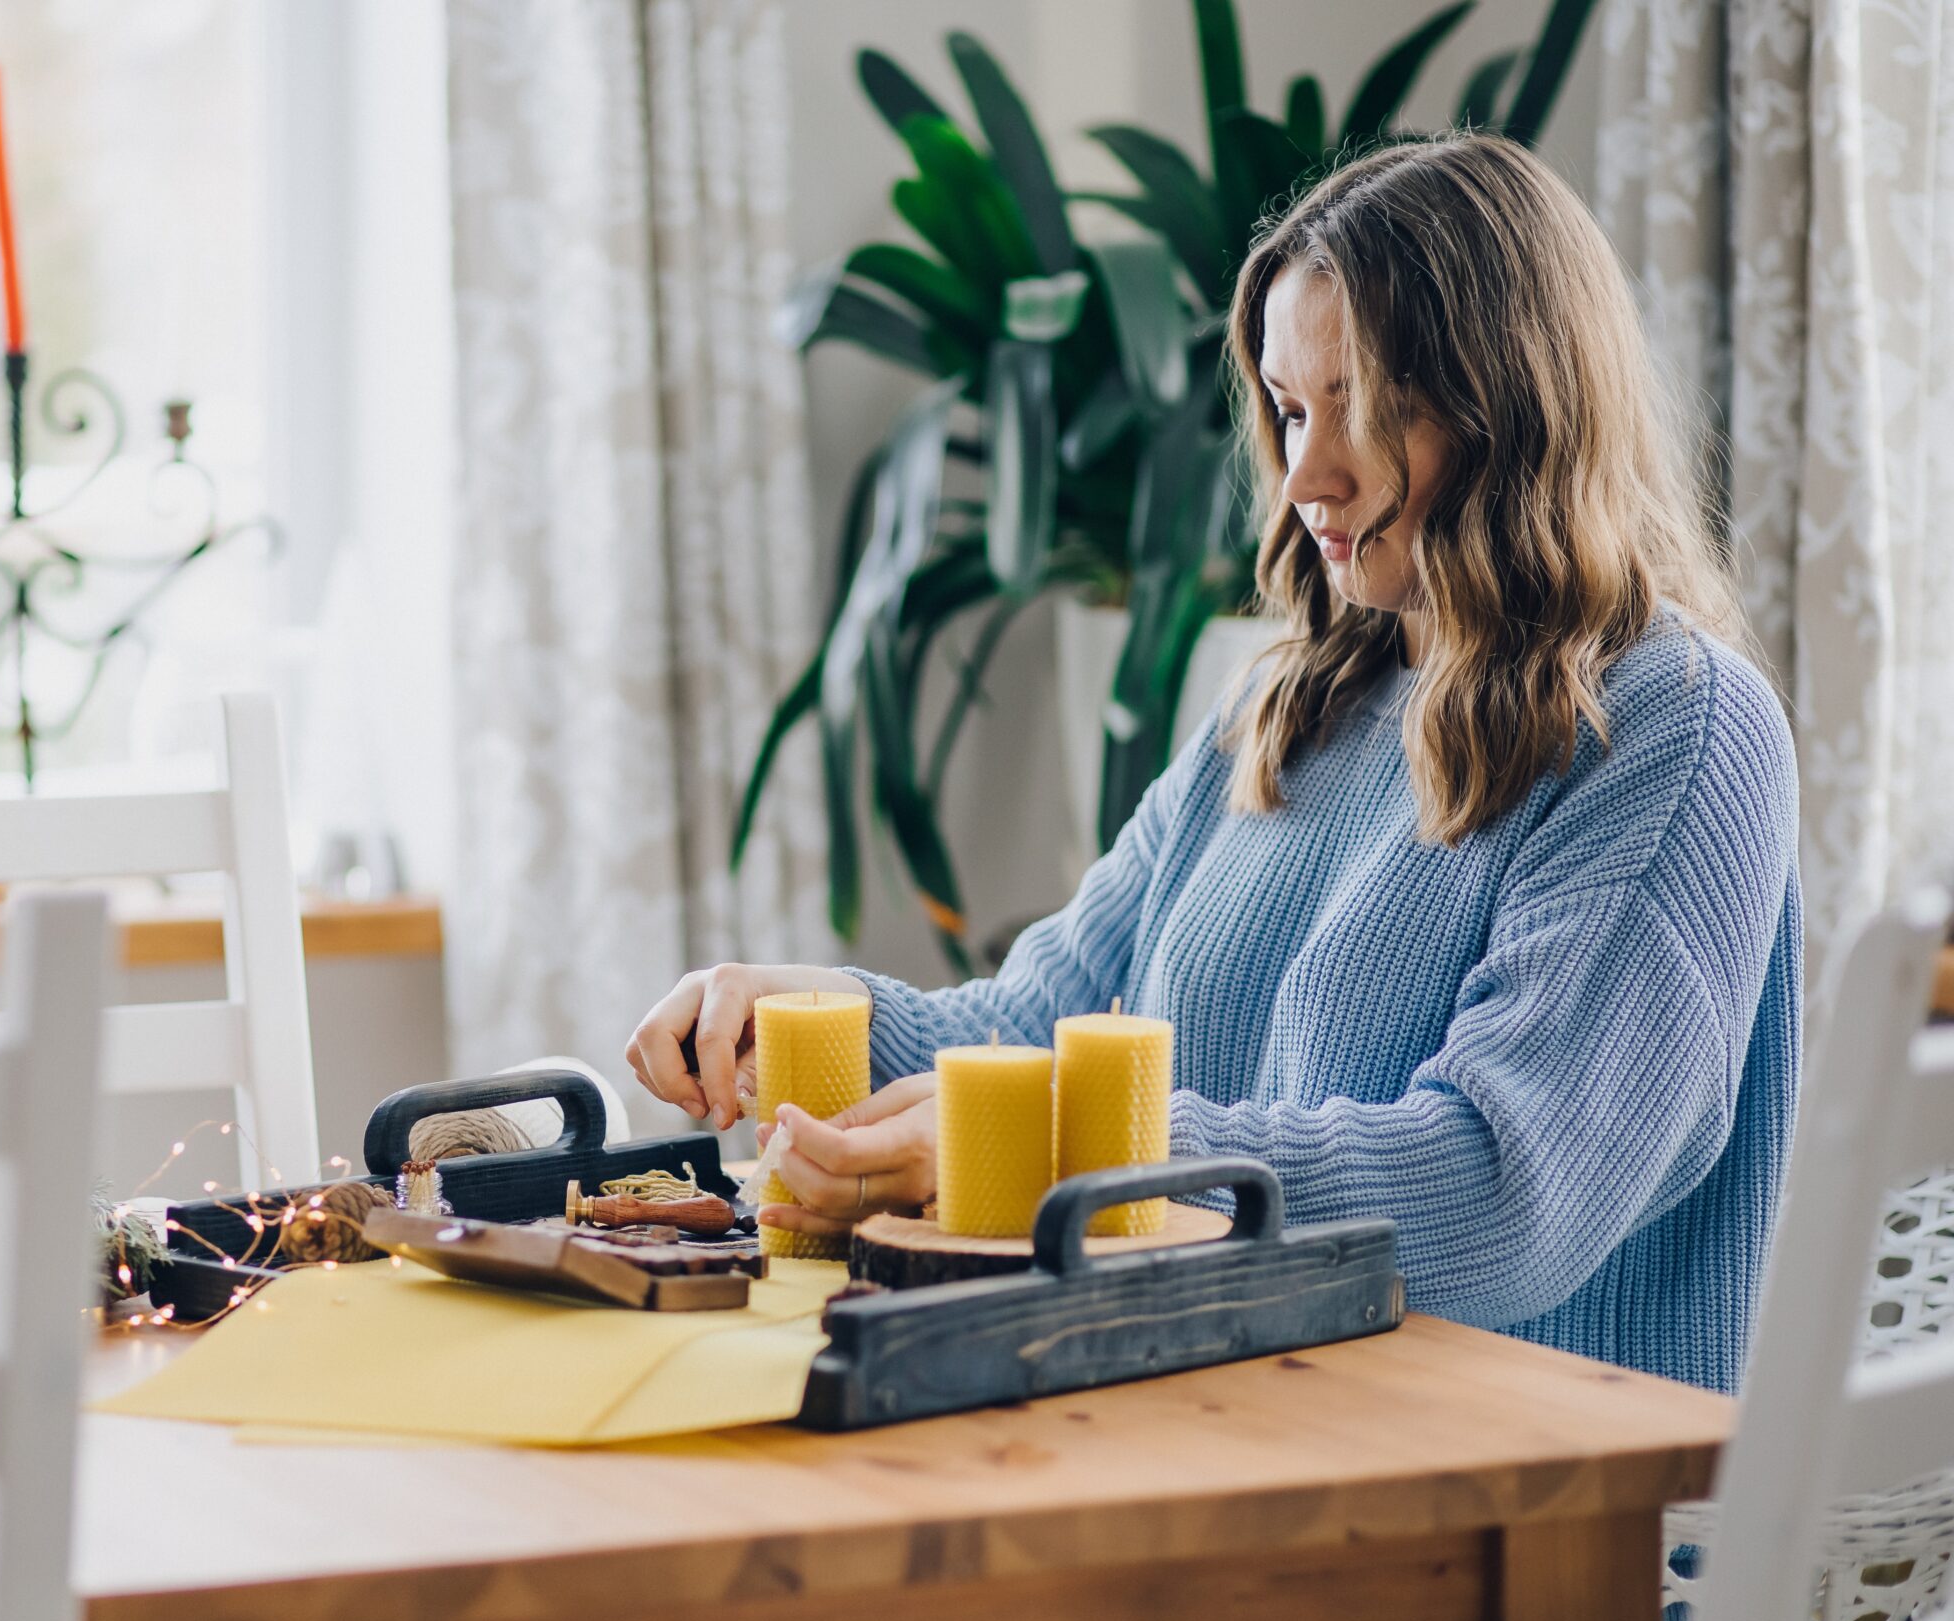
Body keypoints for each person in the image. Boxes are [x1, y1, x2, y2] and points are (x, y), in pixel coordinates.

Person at [626, 133, 1799, 1395]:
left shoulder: (1677, 728)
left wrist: (1083, 1152)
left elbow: (1503, 1191)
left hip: (1542, 1521)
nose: (1304, 474)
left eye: (1363, 403)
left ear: (1511, 403)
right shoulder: (1285, 706)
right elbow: (1040, 1027)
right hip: (1226, 1436)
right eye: (1291, 410)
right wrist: (812, 1013)